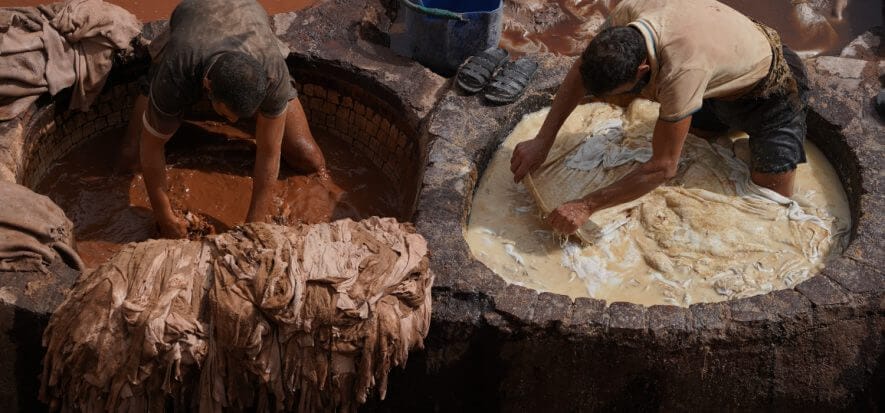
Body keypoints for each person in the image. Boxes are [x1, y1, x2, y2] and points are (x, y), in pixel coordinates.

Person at [510, 0, 810, 235]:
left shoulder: (681, 72)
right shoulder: (629, 13)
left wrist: (586, 205)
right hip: (716, 77)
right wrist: (543, 139)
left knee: (769, 202)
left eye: (625, 91)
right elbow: (581, 70)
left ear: (642, 70)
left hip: (771, 89)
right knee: (700, 146)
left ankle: (762, 144)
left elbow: (664, 167)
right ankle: (732, 134)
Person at [121, 0, 327, 239]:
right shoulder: (178, 68)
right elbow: (150, 146)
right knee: (128, 157)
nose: (234, 121)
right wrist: (165, 218)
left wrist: (254, 226)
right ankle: (160, 99)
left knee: (309, 158)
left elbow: (270, 152)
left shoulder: (272, 74)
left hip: (247, 19)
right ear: (207, 87)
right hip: (194, 19)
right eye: (229, 115)